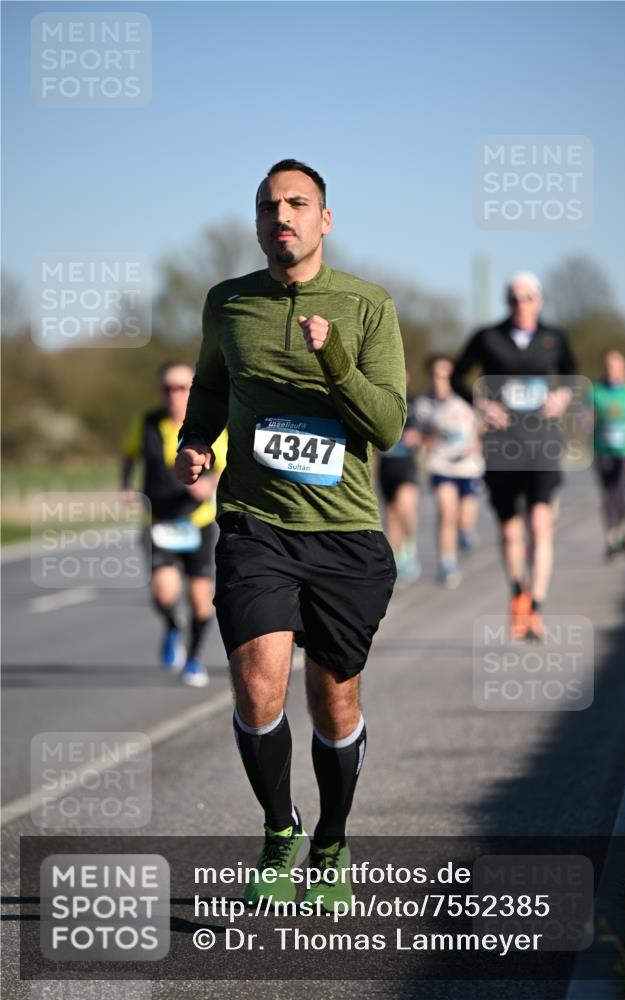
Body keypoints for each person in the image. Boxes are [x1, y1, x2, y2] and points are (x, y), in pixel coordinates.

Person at [174, 159, 405, 909]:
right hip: (255, 524)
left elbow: (387, 426)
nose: (284, 215)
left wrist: (332, 355)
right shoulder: (228, 303)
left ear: (324, 220)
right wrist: (195, 439)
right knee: (255, 685)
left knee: (333, 702)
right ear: (258, 223)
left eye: (298, 203)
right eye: (270, 205)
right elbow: (210, 383)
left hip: (343, 534)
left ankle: (331, 842)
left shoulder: (368, 306)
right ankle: (280, 830)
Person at [452, 272, 577, 640]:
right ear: (506, 302)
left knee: (540, 524)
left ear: (539, 301)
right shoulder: (487, 337)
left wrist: (562, 397)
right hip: (503, 444)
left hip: (542, 443)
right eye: (513, 298)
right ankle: (518, 591)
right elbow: (458, 377)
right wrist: (482, 405)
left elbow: (570, 372)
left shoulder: (554, 338)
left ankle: (535, 606)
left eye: (527, 297)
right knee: (510, 532)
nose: (520, 303)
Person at [121, 362, 227, 687]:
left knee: (199, 600)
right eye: (167, 388)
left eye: (181, 388)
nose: (173, 395)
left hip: (197, 522)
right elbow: (129, 454)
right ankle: (171, 624)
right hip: (159, 520)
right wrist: (126, 485)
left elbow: (224, 466)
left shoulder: (209, 425)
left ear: (192, 390)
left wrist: (208, 486)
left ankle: (193, 659)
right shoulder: (147, 423)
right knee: (163, 594)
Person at [414, 354, 484, 588]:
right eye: (436, 375)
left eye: (445, 376)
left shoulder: (466, 400)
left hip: (468, 466)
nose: (440, 380)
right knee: (446, 512)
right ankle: (447, 563)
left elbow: (484, 423)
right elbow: (421, 434)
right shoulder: (424, 405)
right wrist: (423, 439)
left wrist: (480, 441)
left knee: (464, 519)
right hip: (441, 464)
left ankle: (465, 533)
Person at [589, 350, 625, 559]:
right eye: (609, 366)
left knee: (622, 492)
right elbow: (583, 417)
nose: (612, 370)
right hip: (603, 450)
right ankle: (612, 536)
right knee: (608, 494)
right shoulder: (595, 390)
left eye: (616, 366)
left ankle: (624, 526)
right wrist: (591, 417)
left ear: (623, 368)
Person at [377, 374, 421, 582]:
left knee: (405, 506)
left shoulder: (414, 402)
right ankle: (395, 559)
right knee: (392, 514)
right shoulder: (382, 399)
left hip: (407, 464)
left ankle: (410, 545)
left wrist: (418, 437)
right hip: (387, 465)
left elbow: (428, 429)